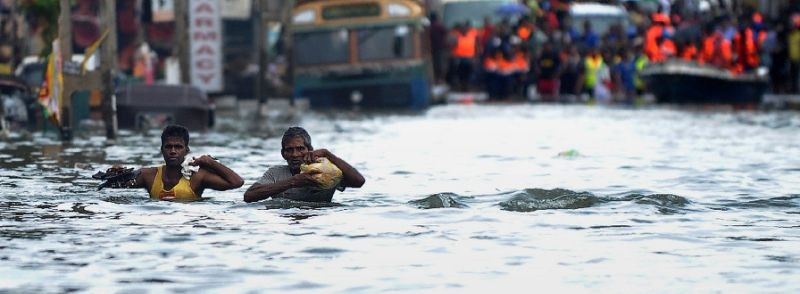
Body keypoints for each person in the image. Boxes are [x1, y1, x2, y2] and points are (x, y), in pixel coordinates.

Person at [98, 125, 244, 201]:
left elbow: (236, 182)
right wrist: (114, 172)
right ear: (162, 150)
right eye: (168, 147)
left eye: (178, 147)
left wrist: (211, 163)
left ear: (186, 150)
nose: (173, 151)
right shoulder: (148, 175)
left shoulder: (198, 177)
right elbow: (110, 185)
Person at [243, 127, 365, 203]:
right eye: (289, 150)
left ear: (310, 149)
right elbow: (249, 196)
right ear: (283, 154)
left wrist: (328, 154)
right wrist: (293, 182)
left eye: (300, 149)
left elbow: (359, 181)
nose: (295, 154)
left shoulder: (326, 171)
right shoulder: (275, 173)